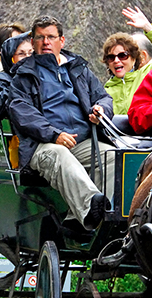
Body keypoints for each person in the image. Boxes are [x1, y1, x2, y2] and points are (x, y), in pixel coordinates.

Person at [7, 16, 115, 231]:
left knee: (113, 156)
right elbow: (22, 112)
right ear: (33, 41)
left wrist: (102, 111)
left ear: (61, 41)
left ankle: (105, 217)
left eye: (51, 37)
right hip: (42, 145)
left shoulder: (78, 68)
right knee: (60, 155)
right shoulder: (24, 75)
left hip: (82, 141)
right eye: (40, 38)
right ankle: (88, 213)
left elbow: (104, 97)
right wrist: (54, 134)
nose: (46, 42)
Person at [102, 7, 152, 116]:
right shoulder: (105, 91)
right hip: (115, 133)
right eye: (111, 57)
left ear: (134, 58)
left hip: (149, 131)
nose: (116, 60)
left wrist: (148, 27)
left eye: (122, 55)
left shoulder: (149, 74)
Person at [0, 32, 33, 122]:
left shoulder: (43, 76)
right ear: (11, 58)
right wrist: (18, 82)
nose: (27, 58)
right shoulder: (0, 79)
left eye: (31, 53)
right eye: (21, 54)